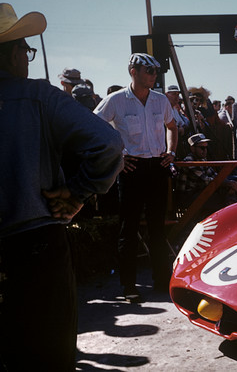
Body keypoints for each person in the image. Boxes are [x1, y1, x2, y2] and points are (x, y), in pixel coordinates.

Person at [0, 3, 123, 370]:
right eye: (25, 49)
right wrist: (78, 191)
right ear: (12, 53)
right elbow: (109, 144)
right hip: (35, 245)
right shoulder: (38, 96)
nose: (28, 58)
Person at [94, 52, 178, 302]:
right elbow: (94, 127)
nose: (153, 76)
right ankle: (129, 285)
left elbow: (172, 126)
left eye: (155, 72)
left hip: (156, 168)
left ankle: (162, 280)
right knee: (128, 229)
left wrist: (171, 152)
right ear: (133, 71)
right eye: (148, 71)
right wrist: (118, 156)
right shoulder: (116, 100)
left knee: (157, 229)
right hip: (131, 171)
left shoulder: (161, 101)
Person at [176, 133, 237, 218]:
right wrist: (228, 184)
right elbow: (206, 181)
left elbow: (214, 176)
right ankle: (231, 217)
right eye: (202, 148)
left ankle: (232, 216)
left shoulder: (202, 159)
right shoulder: (189, 161)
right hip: (189, 196)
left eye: (206, 148)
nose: (205, 150)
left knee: (235, 182)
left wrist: (229, 184)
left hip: (201, 192)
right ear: (192, 148)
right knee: (221, 198)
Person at [166, 85, 191, 159]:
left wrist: (181, 128)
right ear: (166, 95)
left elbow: (184, 124)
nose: (177, 97)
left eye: (178, 94)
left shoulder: (174, 109)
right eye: (174, 94)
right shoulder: (164, 108)